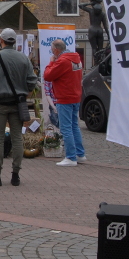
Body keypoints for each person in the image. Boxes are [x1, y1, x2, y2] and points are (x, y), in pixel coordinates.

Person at [0, 28, 38, 187]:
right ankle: (15, 175)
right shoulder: (23, 58)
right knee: (17, 138)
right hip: (17, 103)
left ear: (2, 40)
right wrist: (25, 93)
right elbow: (32, 80)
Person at [43, 39, 85, 167]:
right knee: (74, 126)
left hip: (64, 97)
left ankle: (71, 157)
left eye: (51, 49)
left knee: (66, 128)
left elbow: (47, 76)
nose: (51, 52)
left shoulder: (62, 61)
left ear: (56, 50)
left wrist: (51, 62)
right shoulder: (76, 58)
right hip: (75, 96)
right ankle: (80, 154)